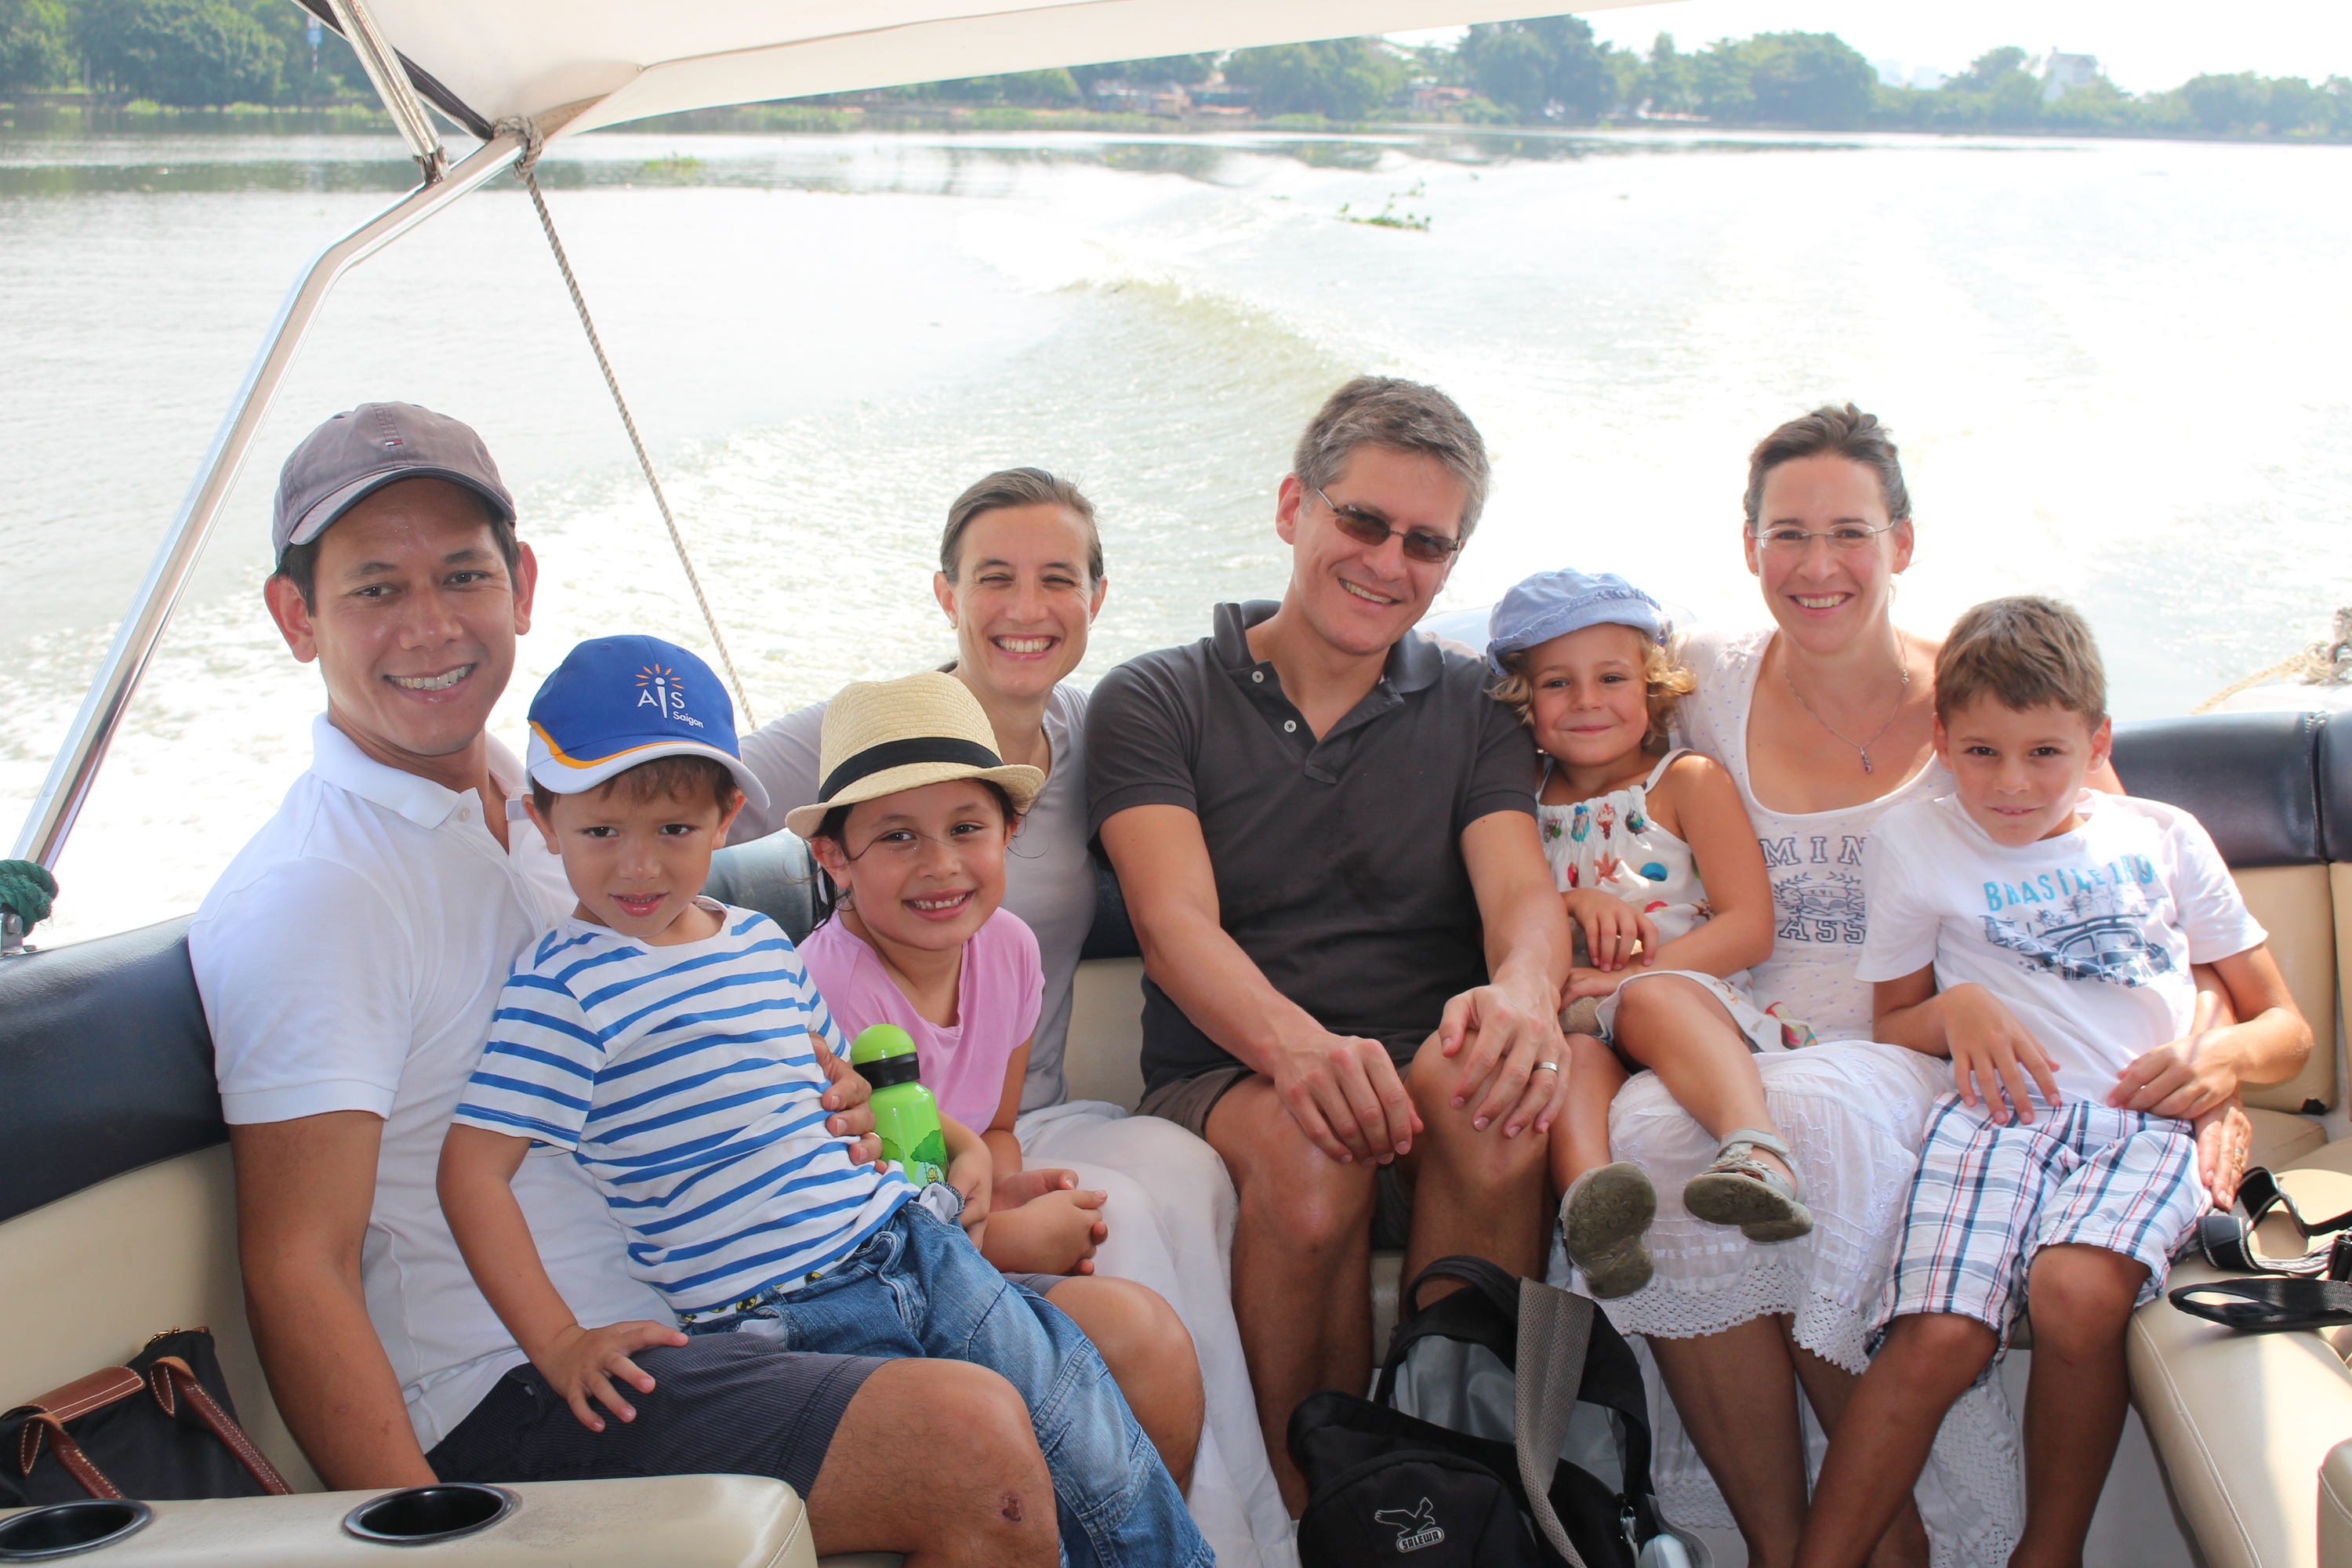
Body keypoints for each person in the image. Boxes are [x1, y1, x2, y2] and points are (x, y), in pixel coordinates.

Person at [191, 402, 1063, 1567]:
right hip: (523, 1385)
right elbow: (297, 1265)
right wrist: (429, 1540)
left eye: (463, 574)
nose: (431, 623)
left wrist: (858, 1114)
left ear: (522, 585)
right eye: (376, 588)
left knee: (1132, 1346)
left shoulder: (558, 813)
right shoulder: (318, 894)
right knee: (968, 1441)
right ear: (295, 616)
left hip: (720, 1303)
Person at [1595, 404, 2263, 1568]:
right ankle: (1776, 1536)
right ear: (1749, 547)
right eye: (1788, 534)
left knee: (1817, 1116)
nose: (1818, 565)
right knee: (1651, 1128)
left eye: (1849, 533)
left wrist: (2216, 1067)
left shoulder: (1984, 693)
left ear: (1901, 543)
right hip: (1740, 1022)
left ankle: (1893, 1535)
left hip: (1919, 1047)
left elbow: (2126, 903)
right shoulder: (1700, 680)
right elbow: (1575, 751)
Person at [438, 637, 1208, 1568]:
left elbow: (856, 1089)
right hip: (778, 1305)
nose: (639, 866)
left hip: (909, 1237)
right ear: (542, 819)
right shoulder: (563, 987)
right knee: (1015, 1438)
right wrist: (558, 1340)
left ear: (726, 818)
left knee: (1086, 1426)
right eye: (602, 832)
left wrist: (959, 1142)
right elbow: (472, 1173)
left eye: (674, 829)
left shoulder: (760, 943)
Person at [733, 468, 1293, 1565]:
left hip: (1012, 1120)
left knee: (1188, 1174)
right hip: (894, 1187)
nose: (1027, 608)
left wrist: (995, 1175)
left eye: (1057, 578)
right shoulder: (867, 740)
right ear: (947, 593)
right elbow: (693, 791)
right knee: (1120, 1220)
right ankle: (1178, 1533)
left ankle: (1258, 1530)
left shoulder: (1102, 733)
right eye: (995, 577)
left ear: (1097, 595)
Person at [1088, 376, 1577, 1512]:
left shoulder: (1478, 708)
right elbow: (1172, 926)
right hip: (1231, 1078)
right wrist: (1301, 1051)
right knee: (1316, 1148)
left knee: (1498, 1104)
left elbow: (1522, 896)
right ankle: (1312, 1517)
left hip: (1419, 1079)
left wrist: (1523, 993)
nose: (1387, 562)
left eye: (1426, 543)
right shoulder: (1156, 698)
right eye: (1361, 520)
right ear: (1292, 507)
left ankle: (1454, 1506)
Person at [1797, 597, 2308, 1568]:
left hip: (2142, 1119)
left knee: (2076, 1290)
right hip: (1998, 1116)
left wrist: (2224, 1059)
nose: (2012, 782)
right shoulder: (1914, 840)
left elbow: (2287, 1028)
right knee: (1939, 1334)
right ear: (1941, 741)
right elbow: (1895, 1018)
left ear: (2097, 741)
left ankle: (2050, 1552)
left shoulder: (2163, 834)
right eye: (1981, 751)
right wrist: (1957, 1009)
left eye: (2045, 752)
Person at [791, 670, 1205, 1488]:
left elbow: (997, 1126)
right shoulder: (819, 994)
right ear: (833, 857)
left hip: (955, 1241)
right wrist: (1009, 1239)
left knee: (1147, 1323)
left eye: (966, 827)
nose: (941, 865)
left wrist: (1005, 1193)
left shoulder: (1009, 947)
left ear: (1010, 828)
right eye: (898, 837)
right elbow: (842, 1227)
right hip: (869, 1288)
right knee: (1130, 1330)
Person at [1481, 570, 1808, 1303]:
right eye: (1557, 683)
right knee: (1566, 1061)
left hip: (1688, 997)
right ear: (1523, 700)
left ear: (1653, 687)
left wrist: (1630, 978)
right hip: (1581, 1014)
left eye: (1611, 678)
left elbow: (1750, 927)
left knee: (1648, 1001)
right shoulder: (1516, 805)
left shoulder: (1685, 781)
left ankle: (1757, 1150)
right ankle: (1597, 1214)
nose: (1587, 700)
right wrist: (1571, 901)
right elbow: (1498, 913)